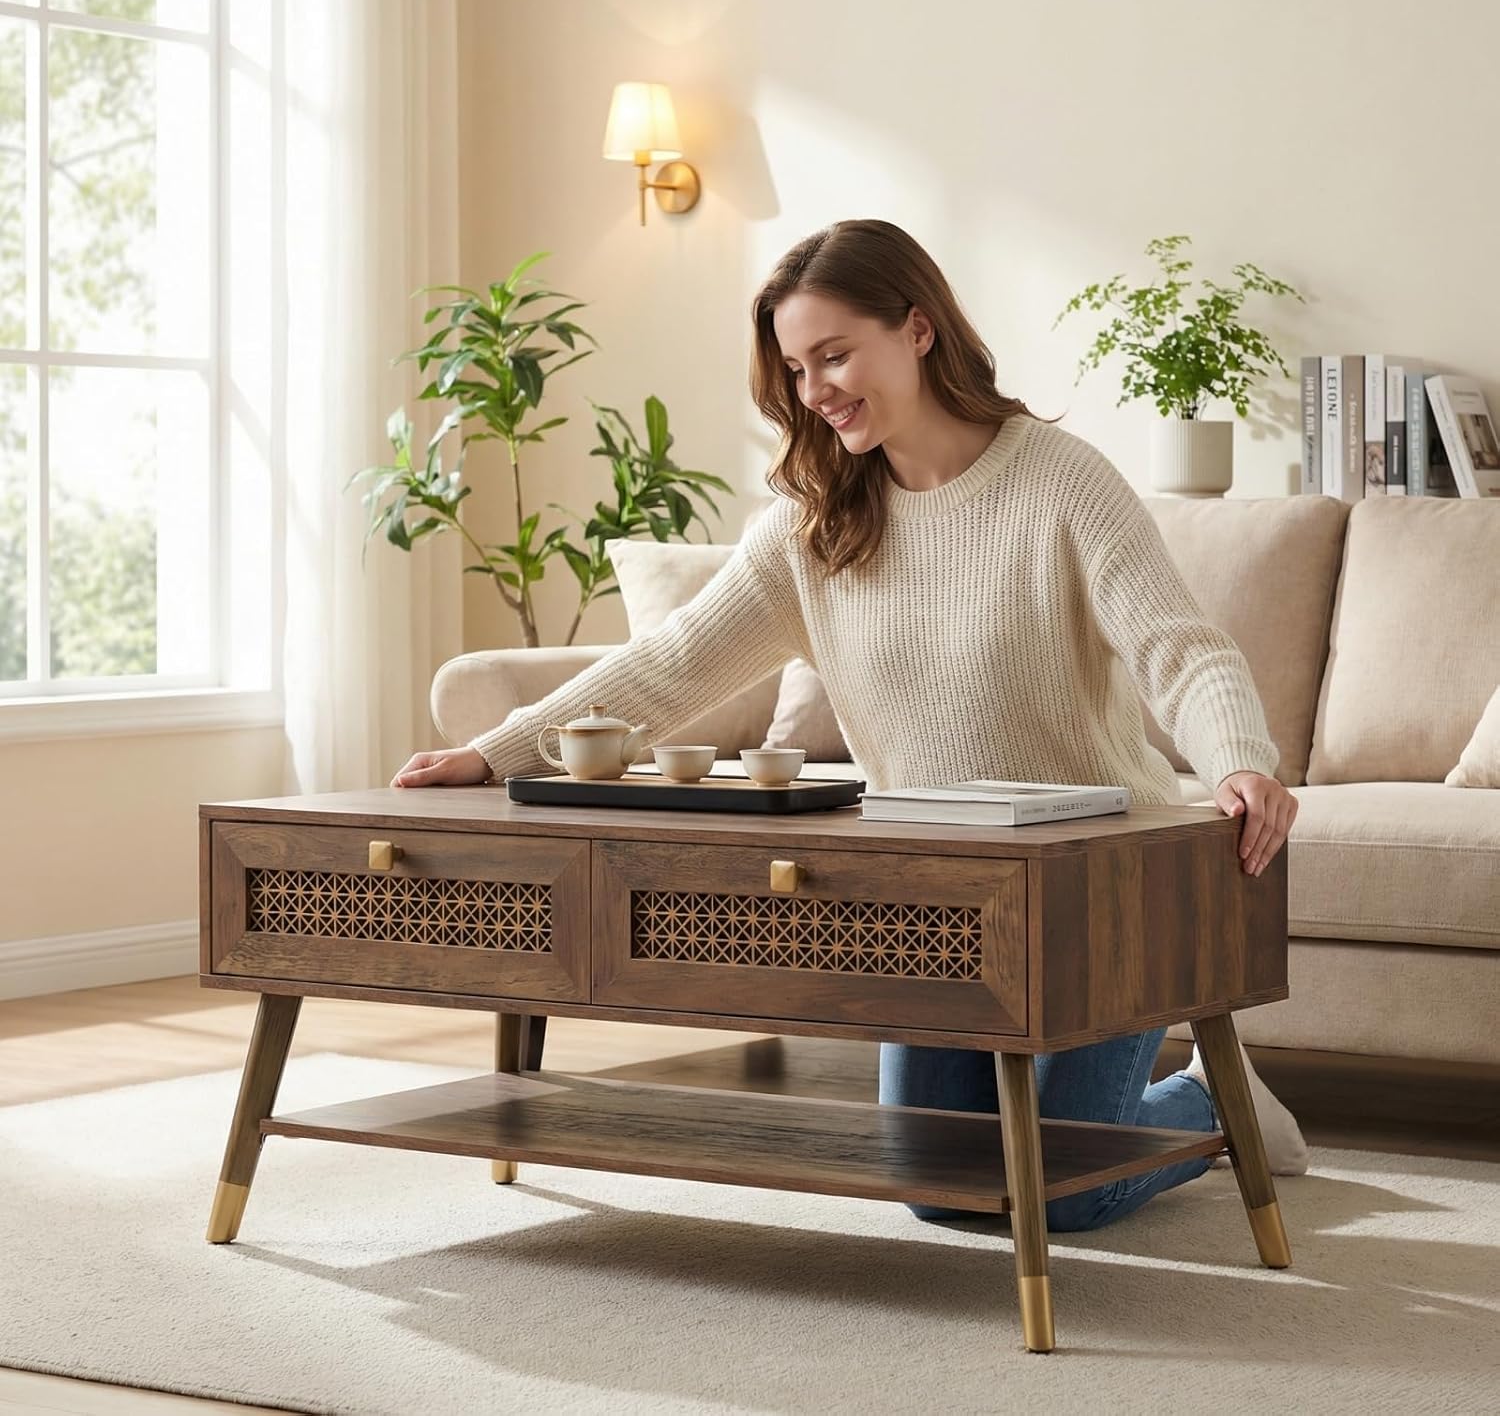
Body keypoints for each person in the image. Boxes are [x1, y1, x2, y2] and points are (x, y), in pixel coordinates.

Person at [390, 218, 1309, 1229]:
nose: (815, 387)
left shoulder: (1059, 480)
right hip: (928, 895)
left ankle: (1217, 1099)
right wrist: (492, 752)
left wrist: (1240, 763)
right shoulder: (811, 524)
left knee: (1059, 1193)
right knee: (936, 1188)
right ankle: (1193, 1107)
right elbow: (667, 665)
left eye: (834, 354)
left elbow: (1180, 647)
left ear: (917, 330)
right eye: (796, 366)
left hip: (1100, 887)